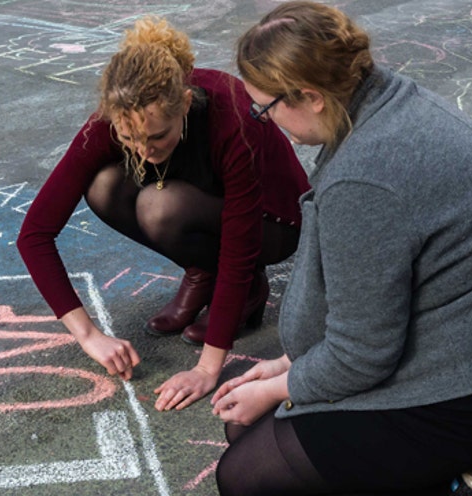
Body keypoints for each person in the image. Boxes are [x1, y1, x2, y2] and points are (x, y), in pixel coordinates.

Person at [209, 1, 472, 496]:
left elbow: (362, 354)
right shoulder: (393, 102)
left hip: (464, 401)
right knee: (246, 428)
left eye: (266, 110)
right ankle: (466, 463)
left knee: (247, 484)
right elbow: (376, 299)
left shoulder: (367, 179)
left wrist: (283, 384)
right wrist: (289, 365)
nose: (268, 124)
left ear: (310, 95)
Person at [17, 16, 310, 411]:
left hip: (274, 222)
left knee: (160, 206)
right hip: (201, 202)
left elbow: (240, 249)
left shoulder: (232, 120)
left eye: (157, 136)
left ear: (185, 105)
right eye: (128, 137)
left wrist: (207, 369)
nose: (143, 149)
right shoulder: (115, 117)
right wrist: (88, 335)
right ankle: (202, 269)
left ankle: (247, 291)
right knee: (104, 187)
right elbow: (34, 234)